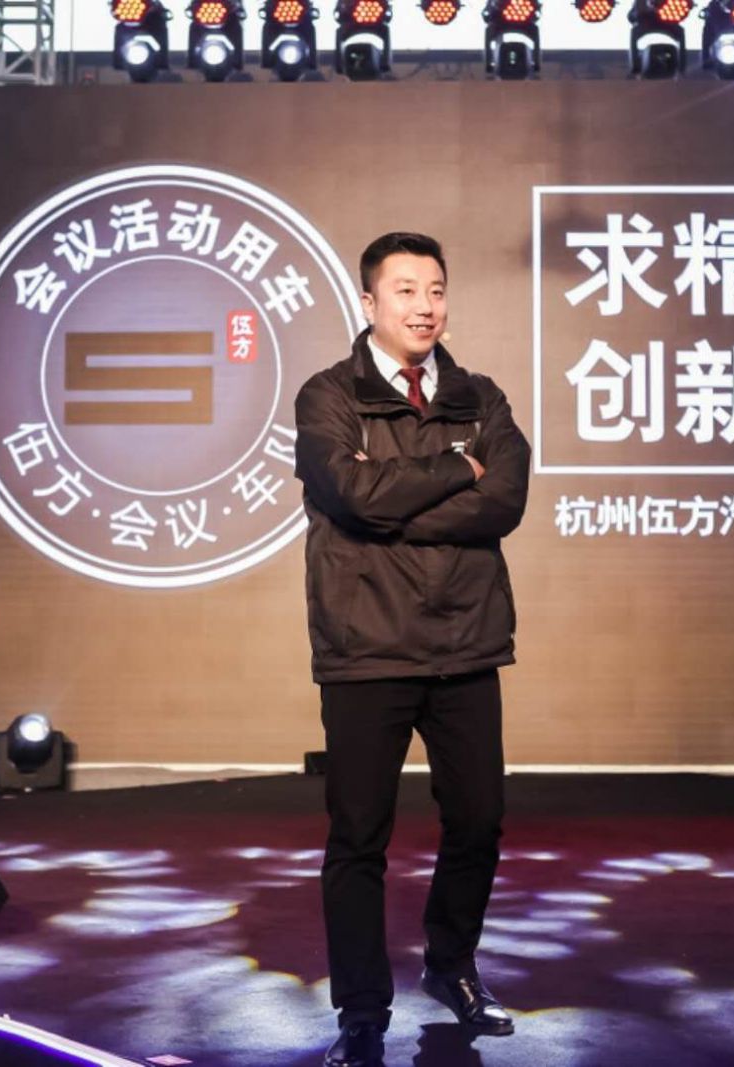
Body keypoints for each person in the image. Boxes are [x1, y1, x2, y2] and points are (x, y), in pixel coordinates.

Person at [293, 232, 530, 1067]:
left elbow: (505, 500)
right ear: (368, 302)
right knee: (359, 836)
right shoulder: (328, 397)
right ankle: (362, 1011)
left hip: (466, 641)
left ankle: (451, 964)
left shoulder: (479, 396)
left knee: (480, 820)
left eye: (436, 289)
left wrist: (396, 499)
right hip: (368, 647)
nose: (425, 306)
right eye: (405, 290)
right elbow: (354, 495)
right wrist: (458, 467)